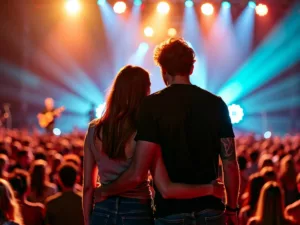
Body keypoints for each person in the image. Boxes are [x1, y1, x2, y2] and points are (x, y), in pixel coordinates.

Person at [92, 38, 240, 225]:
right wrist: (232, 208)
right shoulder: (216, 104)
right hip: (211, 210)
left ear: (163, 71)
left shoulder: (152, 105)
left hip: (171, 212)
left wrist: (104, 190)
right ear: (191, 69)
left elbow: (138, 172)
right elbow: (230, 163)